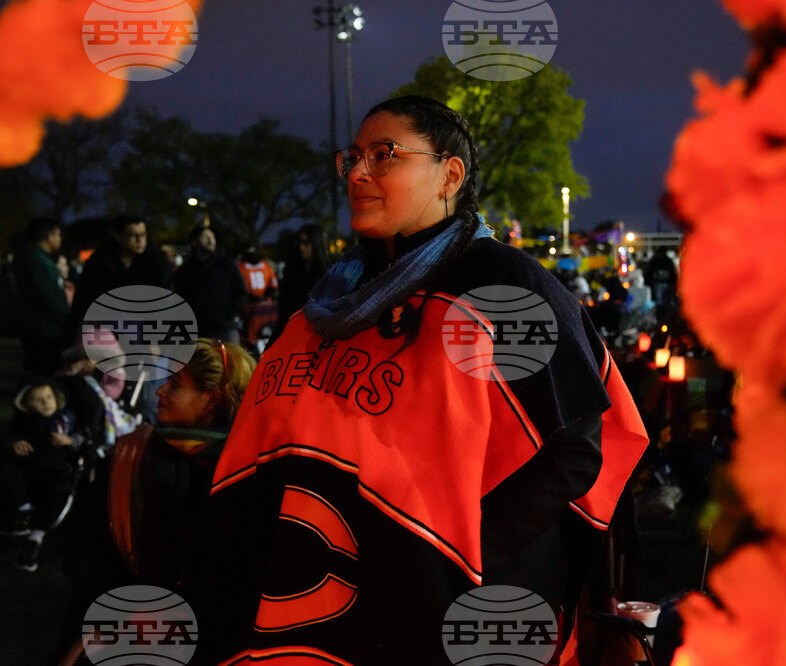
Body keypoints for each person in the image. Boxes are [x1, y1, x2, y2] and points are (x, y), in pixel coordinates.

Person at [197, 96, 648, 665]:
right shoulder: (329, 297)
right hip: (305, 593)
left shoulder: (505, 285)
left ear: (449, 175)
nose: (359, 172)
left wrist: (456, 559)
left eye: (384, 155)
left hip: (446, 600)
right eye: (353, 157)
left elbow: (577, 450)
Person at [107, 339, 255, 588]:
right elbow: (89, 548)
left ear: (211, 400)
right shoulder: (132, 451)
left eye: (175, 385)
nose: (159, 391)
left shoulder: (246, 468)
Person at [0, 379, 85, 571]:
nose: (46, 402)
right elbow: (9, 435)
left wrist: (69, 440)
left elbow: (81, 437)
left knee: (58, 487)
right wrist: (15, 442)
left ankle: (36, 536)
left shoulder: (66, 418)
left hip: (55, 466)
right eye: (38, 400)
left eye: (48, 397)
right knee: (8, 475)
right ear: (28, 404)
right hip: (27, 464)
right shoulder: (23, 420)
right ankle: (23, 510)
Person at [71, 213, 174, 334]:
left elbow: (164, 302)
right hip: (107, 332)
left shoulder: (157, 261)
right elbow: (84, 299)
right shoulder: (99, 262)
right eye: (132, 235)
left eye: (143, 234)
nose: (140, 240)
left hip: (144, 332)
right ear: (118, 236)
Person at [12, 218, 73, 375]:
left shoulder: (30, 256)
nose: (60, 239)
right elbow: (50, 297)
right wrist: (67, 321)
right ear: (48, 236)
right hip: (46, 331)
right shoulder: (39, 261)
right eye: (58, 235)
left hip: (37, 327)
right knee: (46, 372)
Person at [174, 225, 248, 342]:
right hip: (199, 332)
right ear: (195, 241)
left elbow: (242, 292)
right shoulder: (186, 270)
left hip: (225, 329)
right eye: (206, 237)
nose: (211, 240)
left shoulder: (227, 264)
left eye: (212, 237)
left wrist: (229, 313)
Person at [272, 222, 331, 340]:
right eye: (299, 242)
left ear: (316, 244)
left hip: (319, 336)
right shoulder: (292, 272)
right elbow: (284, 306)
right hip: (293, 333)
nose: (301, 247)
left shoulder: (329, 274)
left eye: (307, 243)